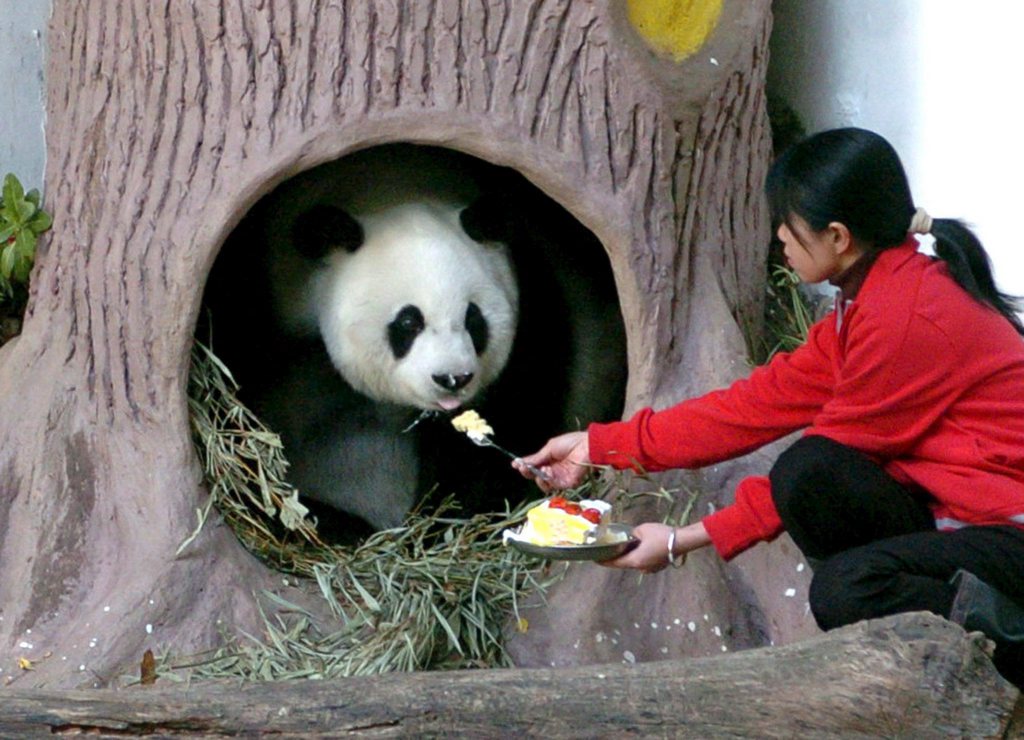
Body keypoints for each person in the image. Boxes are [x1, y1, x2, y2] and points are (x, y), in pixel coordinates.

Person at [513, 127, 1024, 684]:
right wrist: (601, 445)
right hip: (957, 513)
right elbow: (754, 406)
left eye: (791, 225)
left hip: (1008, 531)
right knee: (813, 481)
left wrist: (680, 541)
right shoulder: (871, 298)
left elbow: (825, 453)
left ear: (838, 237)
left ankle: (1007, 648)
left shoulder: (906, 317)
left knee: (841, 582)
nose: (779, 236)